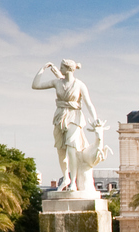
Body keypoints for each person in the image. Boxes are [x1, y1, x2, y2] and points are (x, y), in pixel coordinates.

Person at [32, 60, 98, 190]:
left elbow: (89, 103)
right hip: (60, 116)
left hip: (74, 116)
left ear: (67, 69)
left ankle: (73, 181)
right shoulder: (57, 82)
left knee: (71, 148)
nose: (59, 68)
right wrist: (42, 69)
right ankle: (66, 177)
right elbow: (35, 85)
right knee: (61, 150)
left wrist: (95, 119)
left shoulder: (79, 85)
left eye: (61, 67)